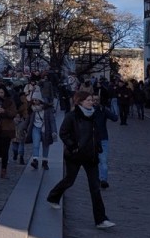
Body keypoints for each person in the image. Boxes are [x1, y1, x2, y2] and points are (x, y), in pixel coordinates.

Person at [46, 91, 114, 229]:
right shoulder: (72, 116)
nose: (91, 102)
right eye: (88, 100)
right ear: (80, 102)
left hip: (91, 156)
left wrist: (98, 147)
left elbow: (97, 133)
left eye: (92, 100)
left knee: (95, 188)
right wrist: (73, 146)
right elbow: (63, 133)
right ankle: (53, 196)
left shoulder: (95, 115)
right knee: (69, 180)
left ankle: (101, 220)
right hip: (75, 155)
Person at [92, 90, 118, 188]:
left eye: (97, 100)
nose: (95, 102)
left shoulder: (102, 110)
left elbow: (115, 118)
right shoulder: (87, 111)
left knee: (103, 161)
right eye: (93, 100)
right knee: (93, 162)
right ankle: (96, 179)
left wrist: (112, 109)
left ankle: (103, 180)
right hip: (91, 140)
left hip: (103, 139)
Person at [28, 89, 57, 170]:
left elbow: (52, 121)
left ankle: (45, 162)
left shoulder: (47, 109)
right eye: (33, 100)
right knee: (35, 144)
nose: (34, 101)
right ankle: (35, 160)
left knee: (46, 145)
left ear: (40, 100)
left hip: (45, 128)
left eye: (36, 100)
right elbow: (28, 119)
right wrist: (23, 128)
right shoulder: (32, 108)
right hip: (35, 127)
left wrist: (54, 131)